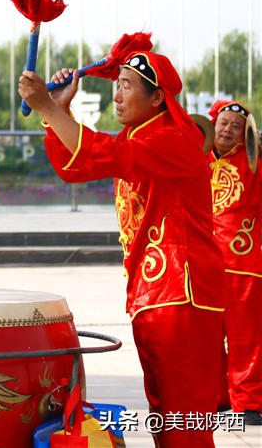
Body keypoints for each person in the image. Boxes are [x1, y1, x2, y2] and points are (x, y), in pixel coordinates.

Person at [18, 51, 226, 447]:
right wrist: (56, 111)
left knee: (184, 419)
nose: (117, 95)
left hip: (183, 292)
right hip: (155, 292)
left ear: (157, 98)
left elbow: (101, 153)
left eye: (126, 86)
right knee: (166, 414)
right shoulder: (138, 136)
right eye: (116, 84)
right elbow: (75, 166)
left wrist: (46, 105)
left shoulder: (175, 138)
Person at [207, 99, 262, 426]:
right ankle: (218, 398)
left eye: (236, 126)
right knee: (208, 337)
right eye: (223, 123)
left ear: (245, 135)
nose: (227, 129)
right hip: (201, 264)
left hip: (244, 262)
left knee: (247, 337)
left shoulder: (254, 162)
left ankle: (249, 401)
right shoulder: (196, 160)